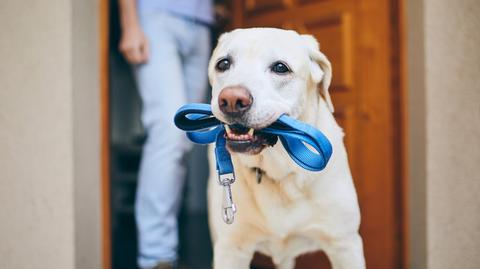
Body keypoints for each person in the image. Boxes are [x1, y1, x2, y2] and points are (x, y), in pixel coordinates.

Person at [117, 1, 213, 268]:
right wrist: (130, 23)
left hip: (202, 24)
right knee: (168, 135)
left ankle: (164, 250)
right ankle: (155, 257)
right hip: (156, 16)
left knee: (186, 136)